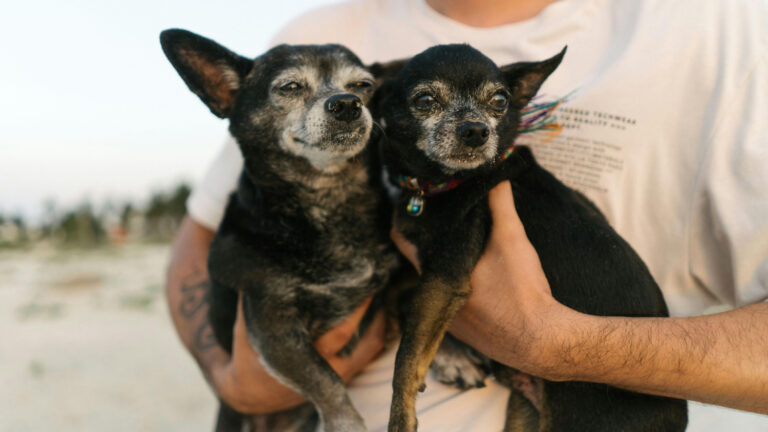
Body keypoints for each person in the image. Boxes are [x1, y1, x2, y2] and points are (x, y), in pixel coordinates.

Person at [165, 0, 768, 429]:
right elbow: (200, 241)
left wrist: (554, 344)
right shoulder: (317, 35)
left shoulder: (717, 31)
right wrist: (230, 377)